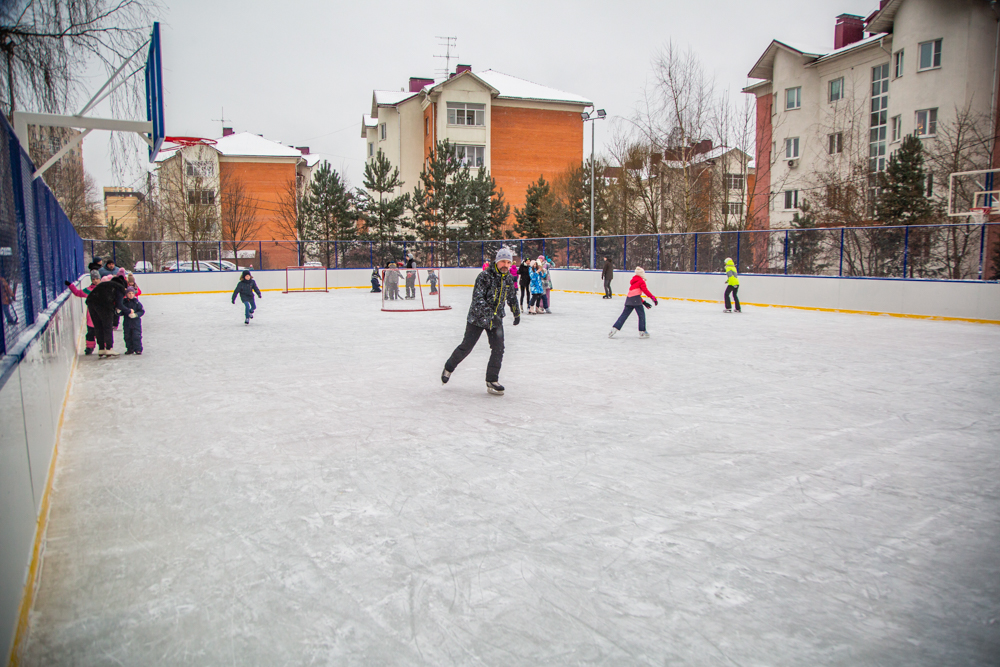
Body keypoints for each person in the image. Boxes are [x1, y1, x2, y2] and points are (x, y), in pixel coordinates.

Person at [441, 247, 520, 395]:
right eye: (502, 261)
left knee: (499, 349)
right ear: (496, 262)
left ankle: (492, 379)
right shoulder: (484, 276)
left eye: (508, 262)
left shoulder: (508, 278)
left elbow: (511, 296)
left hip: (496, 320)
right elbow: (478, 299)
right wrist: (490, 313)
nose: (505, 265)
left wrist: (516, 312)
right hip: (477, 318)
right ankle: (449, 367)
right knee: (466, 347)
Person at [609, 267, 658, 339]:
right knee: (641, 315)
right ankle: (642, 332)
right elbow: (645, 291)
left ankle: (614, 329)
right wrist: (653, 298)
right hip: (636, 300)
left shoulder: (633, 282)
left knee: (624, 315)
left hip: (629, 300)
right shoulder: (641, 281)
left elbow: (634, 294)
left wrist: (643, 302)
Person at [85, 274, 127, 356]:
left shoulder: (105, 285)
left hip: (91, 303)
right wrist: (129, 311)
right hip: (104, 306)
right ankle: (109, 348)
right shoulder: (119, 287)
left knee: (98, 326)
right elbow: (119, 304)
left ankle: (101, 348)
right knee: (107, 326)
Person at [66, 275, 100, 354]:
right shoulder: (88, 290)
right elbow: (77, 293)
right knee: (91, 332)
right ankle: (89, 347)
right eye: (93, 279)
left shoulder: (104, 289)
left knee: (102, 332)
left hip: (102, 315)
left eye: (97, 278)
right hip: (91, 316)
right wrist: (70, 285)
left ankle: (105, 347)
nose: (95, 280)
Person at [121, 286, 145, 355]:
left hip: (136, 323)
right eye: (129, 293)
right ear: (126, 294)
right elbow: (121, 313)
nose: (131, 295)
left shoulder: (137, 303)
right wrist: (118, 311)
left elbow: (142, 311)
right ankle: (129, 348)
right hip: (127, 323)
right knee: (127, 336)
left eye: (132, 293)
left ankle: (138, 349)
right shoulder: (124, 303)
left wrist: (136, 315)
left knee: (136, 336)